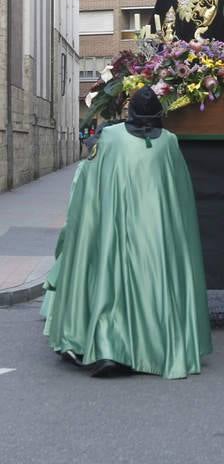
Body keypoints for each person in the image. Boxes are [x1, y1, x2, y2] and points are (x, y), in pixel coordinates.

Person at [44, 87, 212, 379]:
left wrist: (87, 225)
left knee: (113, 285)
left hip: (116, 228)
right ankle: (157, 346)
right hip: (158, 236)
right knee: (156, 287)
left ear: (130, 112)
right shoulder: (169, 141)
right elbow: (181, 197)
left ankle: (110, 349)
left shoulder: (111, 137)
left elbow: (90, 184)